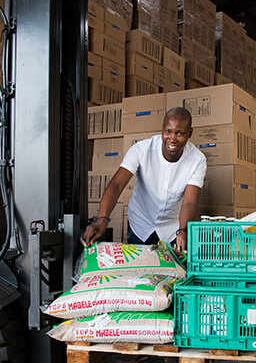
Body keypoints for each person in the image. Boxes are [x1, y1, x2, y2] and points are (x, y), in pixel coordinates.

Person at [82, 107, 205, 253]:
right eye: (168, 131)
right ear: (162, 130)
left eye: (180, 133)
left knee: (173, 273)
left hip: (173, 230)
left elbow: (189, 202)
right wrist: (102, 218)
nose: (172, 138)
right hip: (140, 225)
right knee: (139, 272)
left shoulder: (197, 160)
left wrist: (183, 230)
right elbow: (117, 184)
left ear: (190, 133)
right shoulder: (141, 150)